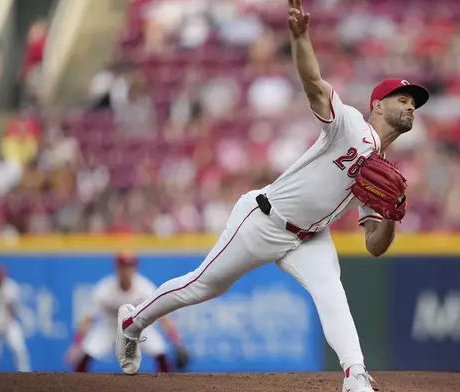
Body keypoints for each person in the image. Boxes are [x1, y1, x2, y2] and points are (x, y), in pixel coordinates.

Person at [114, 1, 429, 391]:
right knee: (202, 286)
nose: (411, 106)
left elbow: (374, 246)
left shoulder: (381, 174)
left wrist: (393, 219)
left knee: (332, 290)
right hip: (265, 219)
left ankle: (355, 375)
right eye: (403, 99)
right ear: (378, 105)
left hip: (309, 237)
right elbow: (314, 84)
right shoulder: (350, 125)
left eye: (414, 103)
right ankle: (132, 322)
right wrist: (300, 38)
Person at [66, 252, 182, 372]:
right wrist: (76, 344)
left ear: (135, 268)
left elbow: (163, 316)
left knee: (160, 352)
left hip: (139, 328)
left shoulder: (145, 288)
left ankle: (167, 385)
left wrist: (177, 342)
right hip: (112, 327)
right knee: (86, 352)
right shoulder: (104, 289)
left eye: (130, 266)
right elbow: (87, 318)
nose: (126, 270)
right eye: (123, 267)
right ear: (117, 268)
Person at [0, 264, 31, 372]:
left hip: (8, 324)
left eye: (1, 276)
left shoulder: (11, 286)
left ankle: (25, 375)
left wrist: (8, 321)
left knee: (19, 348)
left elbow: (13, 307)